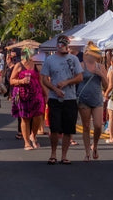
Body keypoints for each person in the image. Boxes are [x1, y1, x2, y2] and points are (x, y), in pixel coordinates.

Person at [40, 34, 83, 165]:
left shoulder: (73, 59)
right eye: (60, 46)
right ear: (57, 46)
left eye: (64, 46)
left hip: (70, 98)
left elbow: (80, 77)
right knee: (54, 128)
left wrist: (67, 82)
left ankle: (64, 155)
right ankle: (53, 153)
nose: (62, 48)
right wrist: (54, 89)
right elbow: (44, 79)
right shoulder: (50, 60)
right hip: (55, 98)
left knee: (68, 129)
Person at [77, 43, 107, 162]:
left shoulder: (101, 67)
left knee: (98, 126)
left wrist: (101, 75)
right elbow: (76, 80)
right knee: (86, 126)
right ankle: (87, 152)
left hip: (97, 98)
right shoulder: (81, 65)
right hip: (83, 98)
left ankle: (95, 145)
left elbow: (106, 85)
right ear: (87, 54)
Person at [10, 49, 44, 150]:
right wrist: (21, 81)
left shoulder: (36, 65)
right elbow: (11, 80)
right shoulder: (19, 65)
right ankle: (26, 143)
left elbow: (41, 81)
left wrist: (46, 94)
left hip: (36, 94)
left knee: (38, 116)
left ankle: (33, 135)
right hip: (23, 94)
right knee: (25, 118)